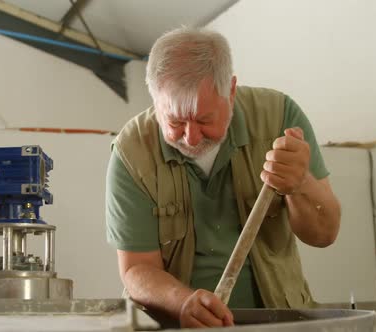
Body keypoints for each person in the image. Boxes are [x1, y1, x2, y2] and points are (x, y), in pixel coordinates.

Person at [105, 27, 341, 328]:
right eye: (175, 121)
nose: (190, 138)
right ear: (155, 99)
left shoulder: (279, 117)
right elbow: (136, 268)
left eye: (204, 120)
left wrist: (301, 185)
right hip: (178, 325)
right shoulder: (132, 151)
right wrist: (182, 303)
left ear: (230, 91)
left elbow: (324, 235)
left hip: (278, 322)